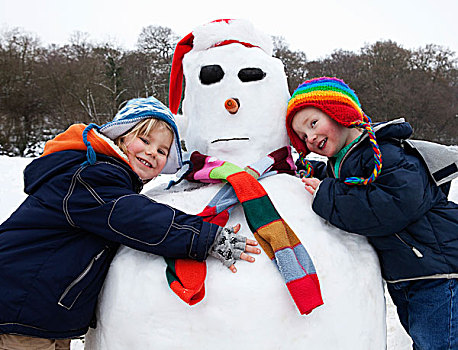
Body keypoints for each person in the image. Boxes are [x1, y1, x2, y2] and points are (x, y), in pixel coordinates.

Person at [0, 96, 260, 349]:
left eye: (162, 151)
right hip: (21, 305)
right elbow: (139, 220)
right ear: (121, 137)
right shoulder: (91, 175)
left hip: (41, 314)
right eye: (145, 140)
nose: (152, 152)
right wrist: (207, 237)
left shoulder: (108, 178)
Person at [285, 77, 458, 349]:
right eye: (303, 136)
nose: (311, 137)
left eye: (313, 123)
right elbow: (349, 184)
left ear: (339, 112)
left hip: (436, 272)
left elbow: (396, 203)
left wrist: (327, 194)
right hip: (409, 275)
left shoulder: (386, 152)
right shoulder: (345, 161)